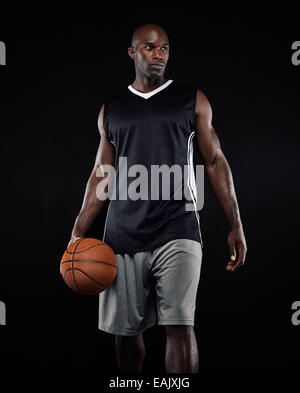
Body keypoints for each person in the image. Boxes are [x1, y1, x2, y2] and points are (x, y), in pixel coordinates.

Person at [68, 23, 247, 373]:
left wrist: (235, 223)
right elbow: (101, 175)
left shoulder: (191, 99)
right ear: (132, 53)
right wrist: (77, 231)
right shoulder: (113, 108)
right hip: (121, 236)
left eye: (164, 48)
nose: (158, 55)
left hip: (177, 228)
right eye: (149, 48)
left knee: (179, 325)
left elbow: (214, 162)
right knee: (125, 333)